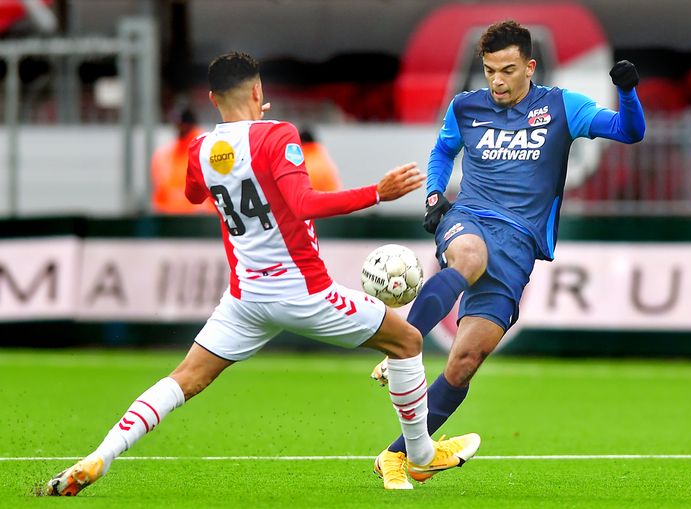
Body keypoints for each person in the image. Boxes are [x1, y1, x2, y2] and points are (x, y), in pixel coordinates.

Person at [45, 51, 480, 496]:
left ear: (213, 99)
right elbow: (303, 203)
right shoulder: (277, 134)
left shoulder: (199, 149)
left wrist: (234, 152)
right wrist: (377, 192)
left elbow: (194, 194)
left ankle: (101, 455)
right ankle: (420, 455)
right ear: (258, 91)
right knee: (407, 341)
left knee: (185, 378)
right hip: (304, 292)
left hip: (245, 299)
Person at [371, 20, 645, 486]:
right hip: (470, 219)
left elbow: (628, 131)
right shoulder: (466, 106)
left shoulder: (562, 107)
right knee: (469, 258)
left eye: (507, 70)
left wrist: (628, 92)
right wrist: (435, 195)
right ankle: (401, 342)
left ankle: (398, 456)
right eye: (489, 70)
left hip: (519, 247)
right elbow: (443, 151)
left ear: (530, 67)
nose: (496, 81)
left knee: (464, 363)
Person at [150, 107, 213, 214]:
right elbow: (161, 192)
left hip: (200, 217)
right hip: (171, 216)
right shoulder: (164, 154)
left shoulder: (205, 149)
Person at [299, 127, 342, 191]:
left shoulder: (304, 157)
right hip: (332, 194)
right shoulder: (321, 155)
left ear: (302, 141)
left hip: (315, 193)